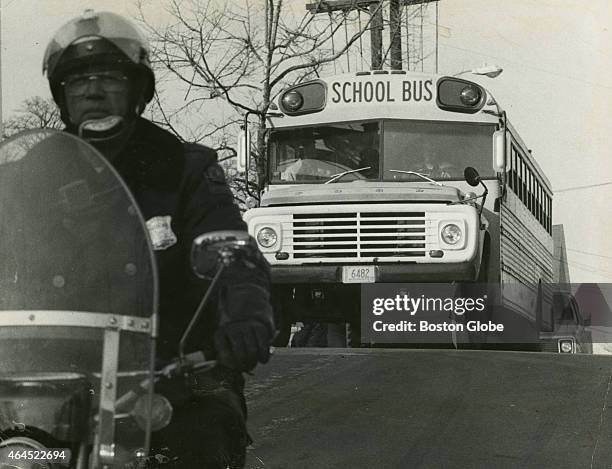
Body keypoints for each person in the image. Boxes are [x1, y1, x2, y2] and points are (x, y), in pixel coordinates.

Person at [42, 10, 275, 468]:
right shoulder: (31, 175)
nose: (92, 90)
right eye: (78, 81)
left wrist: (244, 314)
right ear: (62, 96)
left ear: (137, 90)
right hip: (54, 387)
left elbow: (228, 249)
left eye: (109, 77)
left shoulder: (183, 168)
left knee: (200, 441)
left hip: (173, 380)